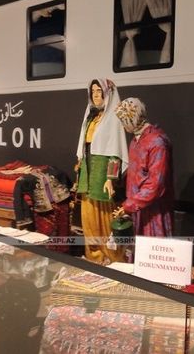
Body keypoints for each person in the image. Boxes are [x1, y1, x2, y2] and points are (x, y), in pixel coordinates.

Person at [75, 79, 128, 264]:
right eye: (93, 91)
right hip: (87, 175)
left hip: (102, 177)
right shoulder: (90, 117)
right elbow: (85, 145)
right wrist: (80, 165)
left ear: (107, 94)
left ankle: (113, 259)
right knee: (88, 221)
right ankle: (94, 259)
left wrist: (111, 178)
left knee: (104, 222)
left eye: (100, 91)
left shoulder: (112, 119)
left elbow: (115, 151)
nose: (96, 95)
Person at [113, 98, 174, 241]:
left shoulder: (157, 142)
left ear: (132, 119)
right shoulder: (136, 141)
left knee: (153, 248)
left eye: (124, 121)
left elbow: (156, 185)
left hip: (154, 212)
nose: (122, 125)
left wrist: (128, 205)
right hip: (137, 208)